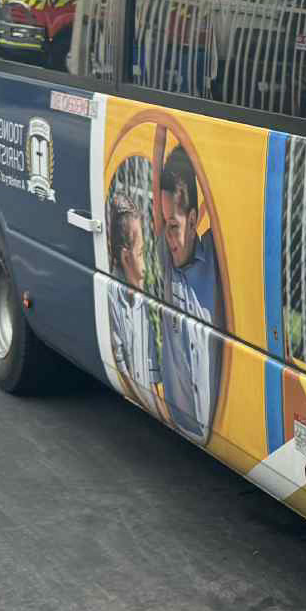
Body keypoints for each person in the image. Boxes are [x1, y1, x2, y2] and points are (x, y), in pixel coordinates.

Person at [154, 144, 222, 444]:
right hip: (179, 420)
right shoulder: (162, 262)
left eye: (174, 227)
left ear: (194, 221)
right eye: (164, 226)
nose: (168, 239)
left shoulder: (219, 261)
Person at [106, 193, 161, 416]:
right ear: (126, 257)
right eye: (140, 253)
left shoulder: (141, 300)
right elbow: (118, 359)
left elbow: (151, 360)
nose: (146, 264)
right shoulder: (112, 296)